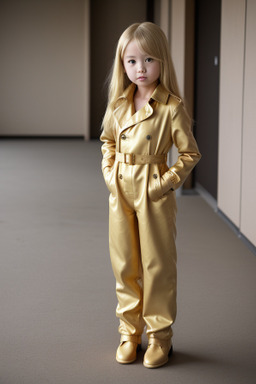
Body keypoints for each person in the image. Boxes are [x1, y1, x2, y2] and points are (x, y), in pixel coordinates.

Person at [100, 22, 201, 369]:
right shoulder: (118, 104)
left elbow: (190, 154)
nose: (139, 69)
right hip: (121, 188)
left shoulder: (172, 107)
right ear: (122, 64)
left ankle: (160, 337)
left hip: (153, 187)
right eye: (131, 61)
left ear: (162, 62)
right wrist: (110, 174)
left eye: (148, 60)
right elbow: (107, 142)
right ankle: (129, 332)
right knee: (125, 262)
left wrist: (165, 183)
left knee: (157, 265)